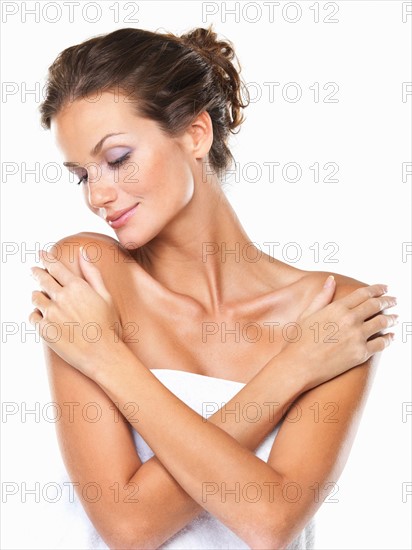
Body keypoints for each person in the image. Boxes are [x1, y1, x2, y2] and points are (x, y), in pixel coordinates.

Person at [29, 25, 397, 549]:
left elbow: (271, 523)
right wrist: (292, 370)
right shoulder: (88, 271)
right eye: (81, 175)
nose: (97, 195)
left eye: (116, 160)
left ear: (196, 135)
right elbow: (128, 526)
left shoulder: (334, 312)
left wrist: (105, 356)